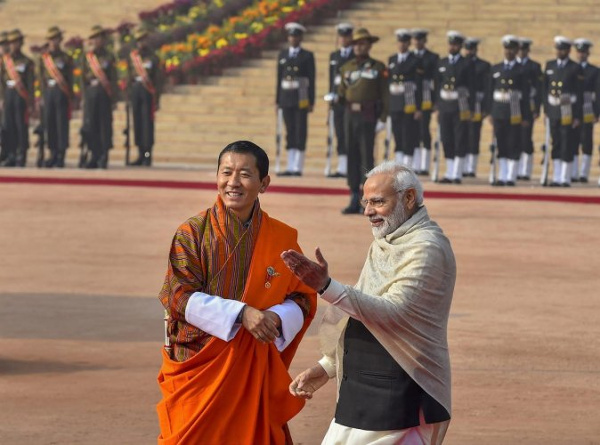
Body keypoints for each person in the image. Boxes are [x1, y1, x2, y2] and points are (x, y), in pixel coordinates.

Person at [281, 162, 456, 445]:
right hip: (361, 391)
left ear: (409, 198)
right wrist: (327, 367)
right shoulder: (387, 240)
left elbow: (394, 312)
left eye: (377, 202)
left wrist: (326, 287)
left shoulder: (428, 247)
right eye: (366, 203)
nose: (368, 212)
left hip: (401, 394)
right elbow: (360, 312)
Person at [157, 140, 317, 444]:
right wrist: (242, 314)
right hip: (200, 367)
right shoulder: (192, 233)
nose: (233, 182)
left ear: (264, 183)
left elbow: (303, 298)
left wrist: (275, 316)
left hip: (252, 366)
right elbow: (178, 297)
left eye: (244, 174)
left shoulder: (281, 237)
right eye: (226, 172)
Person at [337, 28, 388, 214]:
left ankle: (368, 198)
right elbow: (342, 92)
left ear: (369, 45)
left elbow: (385, 94)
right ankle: (353, 195)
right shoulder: (346, 67)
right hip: (350, 114)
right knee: (351, 154)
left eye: (363, 43)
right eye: (356, 44)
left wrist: (383, 118)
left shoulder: (378, 67)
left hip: (368, 114)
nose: (359, 47)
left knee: (367, 156)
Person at [488, 35, 531, 186]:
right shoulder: (496, 68)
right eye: (506, 48)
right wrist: (491, 112)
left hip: (515, 111)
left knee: (514, 143)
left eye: (512, 49)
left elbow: (525, 95)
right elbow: (490, 92)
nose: (509, 51)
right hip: (499, 110)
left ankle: (511, 176)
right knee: (501, 143)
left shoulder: (522, 70)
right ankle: (502, 175)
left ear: (516, 50)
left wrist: (526, 116)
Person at [276, 22, 315, 177]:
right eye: (291, 36)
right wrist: (278, 99)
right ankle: (290, 165)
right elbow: (279, 79)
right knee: (289, 130)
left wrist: (311, 100)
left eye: (296, 36)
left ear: (301, 38)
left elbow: (311, 78)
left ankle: (298, 166)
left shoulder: (307, 56)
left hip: (301, 97)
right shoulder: (283, 55)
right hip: (286, 97)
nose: (293, 39)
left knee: (300, 130)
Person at [543, 36, 583, 187]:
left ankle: (565, 177)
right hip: (553, 108)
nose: (559, 52)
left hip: (568, 109)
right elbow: (545, 90)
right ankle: (556, 176)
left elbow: (579, 94)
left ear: (568, 51)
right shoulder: (550, 65)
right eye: (558, 49)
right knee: (556, 142)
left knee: (567, 142)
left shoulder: (574, 67)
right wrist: (546, 110)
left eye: (563, 49)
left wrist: (577, 115)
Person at [436, 30, 474, 184]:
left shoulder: (466, 63)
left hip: (460, 106)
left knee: (460, 138)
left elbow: (472, 86)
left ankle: (457, 173)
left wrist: (470, 109)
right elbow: (437, 84)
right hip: (445, 105)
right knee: (447, 137)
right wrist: (437, 105)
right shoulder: (442, 63)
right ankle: (449, 171)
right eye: (450, 44)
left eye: (455, 44)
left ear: (459, 46)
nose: (452, 47)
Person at [81, 25, 117, 169]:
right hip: (91, 94)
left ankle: (103, 155)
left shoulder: (109, 56)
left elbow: (113, 78)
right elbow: (83, 79)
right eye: (94, 38)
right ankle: (94, 154)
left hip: (104, 94)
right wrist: (83, 97)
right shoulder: (88, 57)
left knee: (104, 126)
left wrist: (114, 97)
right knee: (91, 126)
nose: (97, 41)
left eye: (99, 38)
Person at [38, 26, 73, 168]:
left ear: (60, 40)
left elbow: (70, 77)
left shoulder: (65, 58)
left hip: (62, 93)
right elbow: (40, 79)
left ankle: (61, 155)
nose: (54, 42)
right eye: (51, 39)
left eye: (56, 39)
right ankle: (52, 154)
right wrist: (40, 96)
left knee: (61, 125)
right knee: (50, 124)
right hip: (49, 93)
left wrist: (72, 96)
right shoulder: (44, 59)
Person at [127, 28, 162, 166]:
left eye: (144, 40)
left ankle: (147, 155)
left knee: (147, 124)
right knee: (138, 124)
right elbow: (129, 77)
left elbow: (158, 80)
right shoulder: (133, 57)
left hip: (148, 93)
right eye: (140, 40)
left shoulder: (153, 57)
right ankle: (140, 154)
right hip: (136, 92)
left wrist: (157, 98)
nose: (142, 43)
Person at [388, 28, 422, 167]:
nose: (402, 45)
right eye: (400, 42)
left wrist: (419, 107)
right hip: (395, 101)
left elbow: (419, 85)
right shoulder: (392, 59)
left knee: (408, 132)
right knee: (397, 132)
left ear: (409, 44)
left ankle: (408, 163)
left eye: (405, 42)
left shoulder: (415, 60)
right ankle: (398, 161)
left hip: (409, 101)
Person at [0, 29, 34, 167]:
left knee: (21, 126)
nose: (14, 45)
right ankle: (11, 154)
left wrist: (31, 101)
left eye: (17, 42)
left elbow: (31, 83)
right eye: (12, 42)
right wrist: (1, 98)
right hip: (8, 94)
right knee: (9, 126)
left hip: (21, 96)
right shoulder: (5, 61)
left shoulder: (27, 61)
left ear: (21, 43)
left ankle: (21, 154)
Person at [326, 22, 354, 178]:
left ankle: (350, 166)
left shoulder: (354, 56)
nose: (344, 39)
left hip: (349, 102)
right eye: (341, 37)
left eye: (346, 36)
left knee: (350, 134)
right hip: (337, 102)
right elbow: (332, 80)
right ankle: (342, 166)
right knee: (340, 134)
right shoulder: (334, 56)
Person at [411, 29, 439, 175]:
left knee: (424, 131)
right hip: (410, 99)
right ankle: (414, 164)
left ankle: (425, 165)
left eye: (420, 40)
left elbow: (436, 81)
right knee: (413, 132)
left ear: (424, 41)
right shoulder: (409, 57)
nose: (417, 42)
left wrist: (435, 101)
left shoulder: (432, 58)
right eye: (415, 40)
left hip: (426, 98)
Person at [572, 38, 599, 183]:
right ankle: (574, 172)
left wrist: (596, 112)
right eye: (579, 52)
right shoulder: (571, 68)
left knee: (586, 140)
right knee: (573, 140)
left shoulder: (594, 70)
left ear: (588, 53)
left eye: (584, 52)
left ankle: (584, 173)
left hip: (588, 107)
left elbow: (597, 92)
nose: (581, 54)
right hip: (571, 107)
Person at [463, 37, 490, 178]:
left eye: (471, 48)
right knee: (462, 134)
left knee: (474, 134)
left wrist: (486, 108)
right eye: (467, 48)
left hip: (477, 103)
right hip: (462, 103)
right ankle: (462, 166)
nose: (469, 51)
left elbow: (487, 88)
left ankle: (471, 167)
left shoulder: (483, 65)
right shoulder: (460, 64)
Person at [516, 38, 543, 180]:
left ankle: (525, 170)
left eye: (524, 50)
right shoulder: (513, 66)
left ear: (528, 51)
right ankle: (515, 168)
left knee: (526, 139)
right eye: (519, 50)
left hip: (528, 107)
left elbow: (538, 90)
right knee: (514, 139)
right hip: (513, 106)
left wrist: (537, 108)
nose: (521, 52)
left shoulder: (534, 67)